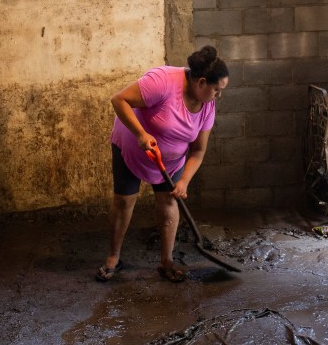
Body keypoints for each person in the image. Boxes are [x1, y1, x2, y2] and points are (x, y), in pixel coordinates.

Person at [97, 46, 230, 283]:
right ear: (201, 82)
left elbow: (198, 150)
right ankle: (113, 257)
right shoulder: (162, 81)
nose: (218, 96)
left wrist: (184, 181)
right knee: (124, 200)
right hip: (132, 146)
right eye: (217, 91)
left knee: (169, 201)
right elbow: (119, 100)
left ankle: (166, 262)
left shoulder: (207, 105)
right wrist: (140, 134)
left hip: (170, 158)